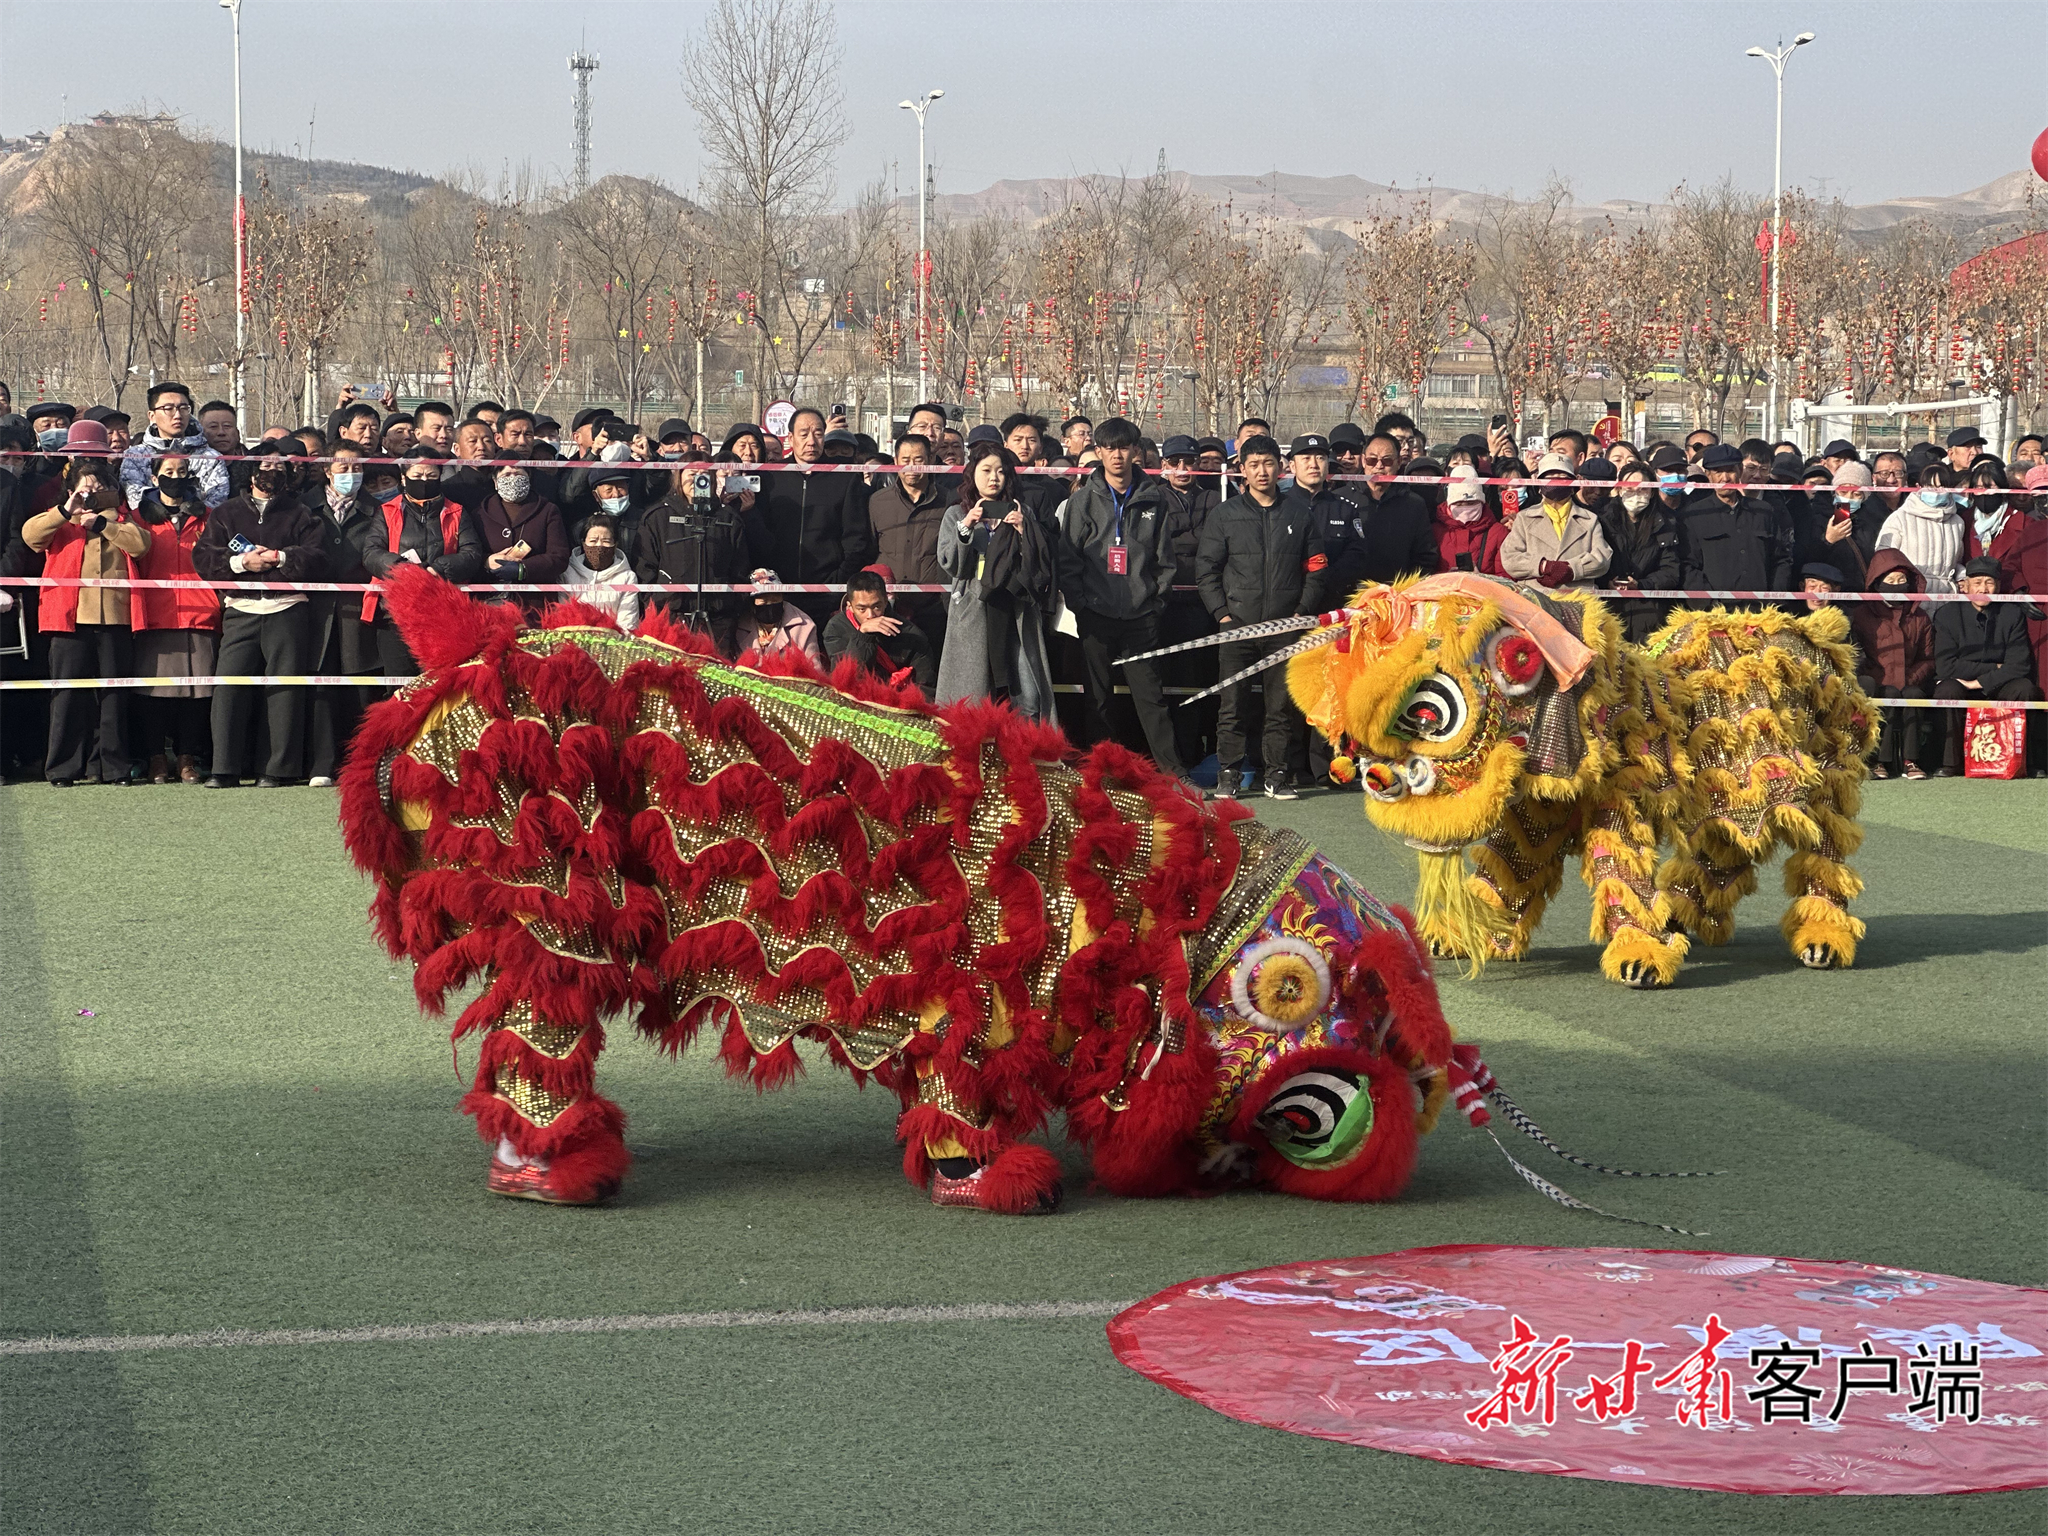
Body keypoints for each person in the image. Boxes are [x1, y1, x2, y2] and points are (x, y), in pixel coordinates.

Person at [1051, 415, 1185, 777]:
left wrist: (1156, 603)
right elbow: (1069, 559)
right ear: (1098, 451)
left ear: (1136, 451)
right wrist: (1080, 606)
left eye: (1124, 448)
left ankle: (1173, 772)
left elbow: (1164, 560)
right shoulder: (1082, 501)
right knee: (1098, 699)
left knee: (1152, 699)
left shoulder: (1154, 499)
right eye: (1109, 448)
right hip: (1095, 616)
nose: (1117, 455)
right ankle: (1101, 770)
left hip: (1141, 617)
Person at [1195, 433, 1326, 801]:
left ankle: (1277, 775)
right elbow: (1206, 569)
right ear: (1242, 470)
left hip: (1284, 628)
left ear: (1280, 467)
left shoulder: (1299, 514)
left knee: (1280, 707)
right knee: (1232, 705)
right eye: (1253, 464)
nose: (1262, 471)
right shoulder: (1225, 515)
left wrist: (1300, 612)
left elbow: (1317, 568)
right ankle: (1229, 774)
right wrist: (1222, 615)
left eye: (1268, 463)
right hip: (1236, 628)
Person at [24, 426, 153, 785]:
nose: (91, 495)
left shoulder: (121, 519)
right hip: (68, 618)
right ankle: (63, 767)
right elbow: (31, 537)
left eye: (98, 488)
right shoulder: (59, 518)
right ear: (70, 491)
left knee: (113, 696)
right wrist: (66, 510)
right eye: (84, 489)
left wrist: (105, 522)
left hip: (115, 617)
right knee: (67, 695)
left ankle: (111, 766)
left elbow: (141, 546)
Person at [192, 448, 324, 788]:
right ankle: (224, 768)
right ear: (250, 472)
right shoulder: (225, 513)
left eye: (280, 467)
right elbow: (203, 557)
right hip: (240, 608)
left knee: (285, 691)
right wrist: (240, 563)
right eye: (265, 465)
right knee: (228, 689)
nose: (272, 471)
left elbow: (317, 556)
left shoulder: (301, 513)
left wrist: (281, 558)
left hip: (288, 608)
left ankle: (278, 769)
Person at [934, 442, 1057, 722]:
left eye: (1001, 471)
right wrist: (966, 526)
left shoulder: (1023, 511)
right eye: (986, 470)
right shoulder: (956, 513)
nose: (994, 478)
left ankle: (1027, 745)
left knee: (1027, 695)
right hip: (973, 608)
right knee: (971, 697)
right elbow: (950, 564)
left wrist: (1025, 530)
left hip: (1016, 606)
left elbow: (1040, 564)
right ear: (972, 474)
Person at [351, 451, 485, 676]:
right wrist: (403, 569)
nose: (424, 481)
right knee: (398, 681)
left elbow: (471, 554)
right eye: (417, 475)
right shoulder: (387, 511)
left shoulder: (457, 512)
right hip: (394, 612)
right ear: (404, 478)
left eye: (431, 476)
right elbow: (372, 553)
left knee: (439, 680)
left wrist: (437, 569)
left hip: (443, 610)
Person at [302, 443, 383, 787]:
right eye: (344, 468)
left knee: (360, 686)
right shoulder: (306, 506)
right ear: (327, 470)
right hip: (316, 607)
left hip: (358, 606)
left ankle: (360, 763)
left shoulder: (377, 509)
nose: (351, 474)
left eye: (357, 467)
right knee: (321, 684)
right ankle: (322, 763)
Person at [746, 407, 872, 623]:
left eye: (818, 434)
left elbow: (856, 537)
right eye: (804, 434)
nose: (811, 441)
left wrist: (838, 580)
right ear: (790, 438)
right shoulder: (770, 475)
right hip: (777, 589)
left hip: (827, 591)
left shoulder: (844, 476)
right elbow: (759, 532)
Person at [1931, 555, 2043, 776]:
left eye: (1989, 582)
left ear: (1998, 586)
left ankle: (2025, 761)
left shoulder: (2012, 614)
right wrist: (1995, 668)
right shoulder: (1947, 614)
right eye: (1977, 582)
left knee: (2025, 689)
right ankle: (1950, 763)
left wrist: (1980, 682)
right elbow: (1946, 666)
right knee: (1947, 690)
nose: (1983, 589)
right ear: (1965, 586)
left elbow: (2019, 665)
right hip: (1962, 682)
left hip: (2000, 684)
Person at [633, 459, 749, 654]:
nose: (698, 480)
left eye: (704, 475)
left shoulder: (728, 518)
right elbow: (645, 567)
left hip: (718, 622)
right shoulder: (658, 517)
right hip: (671, 618)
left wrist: (731, 607)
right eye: (692, 474)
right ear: (679, 478)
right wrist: (656, 606)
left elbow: (740, 569)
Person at [1851, 549, 1935, 780]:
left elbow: (1928, 658)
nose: (1897, 586)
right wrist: (1876, 676)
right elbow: (1856, 653)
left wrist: (1911, 678)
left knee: (1914, 696)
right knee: (1885, 695)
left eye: (1901, 580)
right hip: (1877, 679)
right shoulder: (1862, 615)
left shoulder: (1920, 617)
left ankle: (1911, 761)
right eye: (1890, 580)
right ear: (1877, 583)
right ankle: (1878, 760)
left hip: (1910, 679)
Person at [866, 432, 950, 653]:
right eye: (905, 460)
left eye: (918, 460)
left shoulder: (949, 502)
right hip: (888, 606)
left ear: (931, 460)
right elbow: (869, 548)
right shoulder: (878, 501)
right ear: (895, 461)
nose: (911, 467)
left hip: (934, 606)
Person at [1326, 432, 1437, 593]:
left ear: (1398, 462)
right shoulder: (1338, 499)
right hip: (1346, 595)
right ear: (1363, 461)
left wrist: (1407, 590)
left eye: (1387, 461)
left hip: (1398, 595)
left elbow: (1425, 556)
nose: (1379, 466)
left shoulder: (1414, 504)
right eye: (1372, 460)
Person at [1679, 444, 1792, 603]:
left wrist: (1773, 601)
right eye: (1718, 472)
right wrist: (1708, 605)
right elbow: (1688, 565)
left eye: (1730, 470)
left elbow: (1780, 560)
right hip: (1714, 612)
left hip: (1760, 610)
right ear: (1708, 475)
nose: (1725, 478)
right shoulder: (1695, 514)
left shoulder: (1763, 511)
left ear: (1739, 471)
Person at [476, 454, 569, 621]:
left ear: (529, 477)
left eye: (518, 474)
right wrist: (486, 561)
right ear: (495, 481)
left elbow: (559, 557)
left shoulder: (548, 511)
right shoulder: (480, 513)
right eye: (506, 475)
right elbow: (470, 553)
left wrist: (523, 569)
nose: (512, 479)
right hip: (491, 605)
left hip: (536, 607)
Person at [1501, 453, 1612, 591]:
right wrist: (1543, 566)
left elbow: (1603, 558)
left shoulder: (1589, 519)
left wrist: (1571, 569)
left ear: (1573, 484)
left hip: (1579, 597)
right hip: (1535, 598)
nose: (1556, 481)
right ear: (1539, 484)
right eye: (1549, 477)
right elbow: (1510, 558)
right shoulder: (1524, 518)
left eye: (1563, 477)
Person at [1597, 464, 1682, 643]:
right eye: (1629, 488)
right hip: (1609, 610)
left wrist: (1642, 585)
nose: (1636, 493)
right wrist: (1606, 582)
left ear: (1652, 491)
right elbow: (1595, 561)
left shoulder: (1665, 522)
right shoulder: (1602, 520)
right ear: (1619, 489)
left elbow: (1670, 570)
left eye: (1643, 488)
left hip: (1650, 612)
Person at [823, 566, 937, 693]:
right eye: (862, 609)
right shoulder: (836, 627)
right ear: (849, 606)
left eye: (876, 607)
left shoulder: (911, 635)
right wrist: (863, 637)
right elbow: (846, 681)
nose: (870, 615)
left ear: (885, 601)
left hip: (897, 700)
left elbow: (926, 687)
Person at [120, 381, 230, 512]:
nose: (177, 415)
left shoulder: (211, 458)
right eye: (168, 409)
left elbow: (215, 502)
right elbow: (136, 500)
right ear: (152, 416)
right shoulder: (135, 457)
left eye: (183, 408)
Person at [1875, 465, 1967, 593]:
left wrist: (1962, 577)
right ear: (1919, 487)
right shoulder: (1900, 518)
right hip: (1912, 593)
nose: (1936, 492)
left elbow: (1957, 561)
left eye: (1941, 487)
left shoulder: (1957, 522)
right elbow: (1884, 558)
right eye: (1930, 486)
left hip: (1946, 595)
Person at [732, 567, 824, 669]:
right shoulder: (739, 626)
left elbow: (814, 668)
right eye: (764, 601)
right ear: (752, 604)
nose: (770, 604)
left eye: (775, 599)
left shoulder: (805, 626)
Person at [564, 512, 640, 630]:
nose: (599, 546)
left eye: (606, 541)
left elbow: (627, 623)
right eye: (593, 541)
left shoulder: (627, 578)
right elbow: (563, 615)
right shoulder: (567, 573)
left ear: (615, 544)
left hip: (613, 639)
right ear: (583, 543)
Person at [1434, 464, 1510, 577]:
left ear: (1481, 502)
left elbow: (1507, 578)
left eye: (1471, 503)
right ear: (1449, 504)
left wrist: (1482, 580)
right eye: (1459, 503)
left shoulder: (1499, 533)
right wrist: (1446, 578)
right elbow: (1424, 572)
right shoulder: (1435, 532)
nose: (1465, 507)